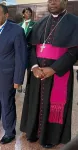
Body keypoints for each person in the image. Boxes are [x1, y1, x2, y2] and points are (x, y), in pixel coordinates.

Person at [20, 0, 78, 148]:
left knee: (54, 105)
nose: (52, 2)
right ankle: (33, 132)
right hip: (37, 72)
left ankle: (50, 137)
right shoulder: (40, 22)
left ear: (65, 2)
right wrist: (34, 67)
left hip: (59, 72)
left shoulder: (74, 22)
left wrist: (53, 69)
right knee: (35, 101)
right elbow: (31, 47)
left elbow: (74, 51)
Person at [0, 4, 27, 144]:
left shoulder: (16, 31)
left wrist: (18, 79)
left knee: (7, 104)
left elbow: (21, 57)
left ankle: (9, 131)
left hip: (6, 76)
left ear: (6, 15)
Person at [17, 7, 35, 93]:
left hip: (29, 50)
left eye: (29, 12)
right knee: (20, 68)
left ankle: (28, 86)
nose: (28, 13)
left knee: (29, 69)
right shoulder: (19, 25)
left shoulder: (34, 24)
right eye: (26, 12)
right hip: (20, 50)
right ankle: (19, 84)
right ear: (23, 14)